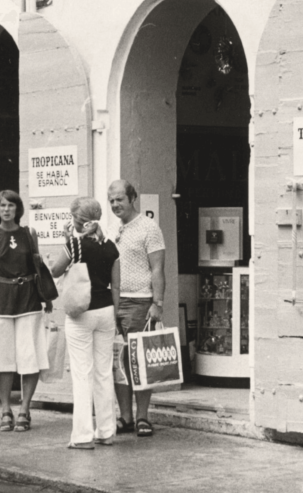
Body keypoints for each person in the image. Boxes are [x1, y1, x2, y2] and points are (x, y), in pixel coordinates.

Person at [0, 190, 51, 433]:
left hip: (29, 300)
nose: (6, 210)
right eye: (2, 206)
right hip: (2, 302)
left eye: (11, 205)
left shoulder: (29, 234)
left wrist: (46, 296)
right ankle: (6, 409)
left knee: (30, 358)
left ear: (18, 209)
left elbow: (37, 266)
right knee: (3, 358)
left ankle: (25, 409)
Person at [49, 197, 121, 449]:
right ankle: (106, 431)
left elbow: (56, 271)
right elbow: (117, 286)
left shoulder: (75, 245)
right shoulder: (111, 246)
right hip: (106, 312)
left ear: (77, 220)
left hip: (81, 313)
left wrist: (66, 242)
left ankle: (82, 436)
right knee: (103, 373)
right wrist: (115, 314)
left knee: (82, 374)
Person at [108, 179, 165, 438]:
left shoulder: (149, 228)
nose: (115, 204)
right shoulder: (114, 229)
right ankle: (126, 417)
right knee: (119, 362)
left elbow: (157, 269)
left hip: (141, 302)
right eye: (111, 200)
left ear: (133, 199)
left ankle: (143, 417)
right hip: (115, 302)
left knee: (139, 361)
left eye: (119, 199)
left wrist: (157, 303)